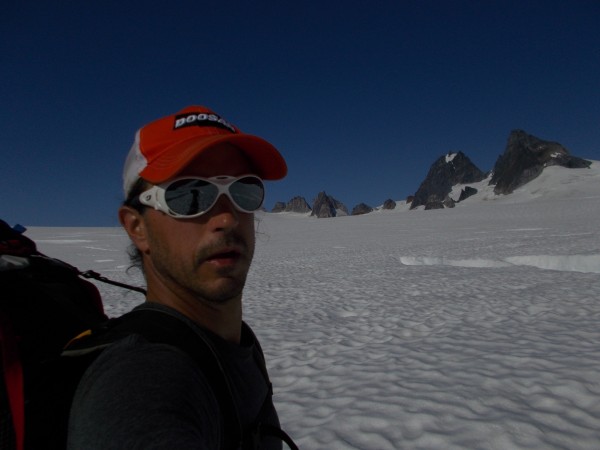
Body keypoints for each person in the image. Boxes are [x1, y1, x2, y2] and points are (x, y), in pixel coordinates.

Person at [67, 106, 291, 449]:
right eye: (189, 196)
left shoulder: (237, 343)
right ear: (137, 227)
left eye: (243, 191)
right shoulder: (139, 379)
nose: (227, 219)